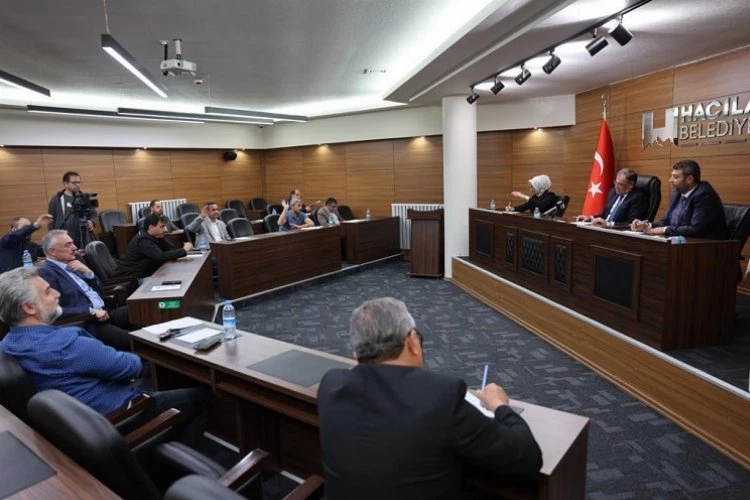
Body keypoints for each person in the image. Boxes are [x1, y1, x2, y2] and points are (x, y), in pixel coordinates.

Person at [317, 297, 542, 500]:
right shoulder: (442, 396)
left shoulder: (331, 385)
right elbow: (527, 458)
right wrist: (499, 405)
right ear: (412, 341)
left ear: (356, 354)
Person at [0, 267, 211, 447]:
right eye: (48, 292)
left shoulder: (6, 346)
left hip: (75, 426)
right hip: (122, 414)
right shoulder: (66, 344)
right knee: (203, 396)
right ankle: (177, 463)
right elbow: (129, 367)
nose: (56, 293)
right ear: (29, 308)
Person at [38, 230, 132, 352]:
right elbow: (53, 310)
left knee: (143, 308)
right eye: (68, 245)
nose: (74, 248)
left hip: (105, 314)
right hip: (88, 323)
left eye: (72, 243)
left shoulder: (73, 264)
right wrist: (90, 311)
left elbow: (100, 291)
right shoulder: (47, 273)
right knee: (137, 340)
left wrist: (89, 273)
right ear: (52, 251)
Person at [631, 159, 728, 239]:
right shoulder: (677, 194)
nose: (670, 180)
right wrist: (647, 225)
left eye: (675, 177)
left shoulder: (704, 195)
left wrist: (665, 230)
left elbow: (696, 229)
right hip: (682, 244)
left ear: (689, 179)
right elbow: (665, 221)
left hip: (706, 247)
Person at [115, 214, 193, 278]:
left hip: (145, 272)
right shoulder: (143, 240)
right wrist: (184, 250)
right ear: (151, 228)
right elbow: (160, 257)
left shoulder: (155, 236)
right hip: (132, 277)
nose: (165, 230)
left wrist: (162, 239)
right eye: (161, 227)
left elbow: (171, 249)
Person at [576, 168, 647, 226]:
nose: (616, 187)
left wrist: (609, 224)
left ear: (630, 185)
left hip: (618, 234)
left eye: (620, 185)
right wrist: (590, 218)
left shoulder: (638, 198)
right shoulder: (613, 192)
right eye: (616, 183)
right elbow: (605, 215)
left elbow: (632, 223)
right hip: (604, 229)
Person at [47, 171, 97, 249]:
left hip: (83, 236)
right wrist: (54, 237)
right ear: (65, 184)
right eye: (74, 183)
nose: (77, 185)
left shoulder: (85, 198)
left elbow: (93, 214)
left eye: (79, 182)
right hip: (65, 237)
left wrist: (92, 222)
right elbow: (51, 220)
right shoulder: (57, 199)